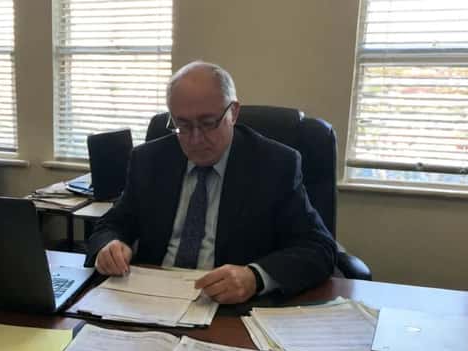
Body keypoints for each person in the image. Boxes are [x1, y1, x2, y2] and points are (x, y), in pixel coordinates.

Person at [86, 61, 336, 304]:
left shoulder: (275, 164)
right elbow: (113, 224)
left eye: (208, 123)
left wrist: (255, 277)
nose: (195, 139)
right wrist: (110, 246)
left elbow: (318, 247)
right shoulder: (149, 160)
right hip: (152, 300)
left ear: (234, 112)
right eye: (183, 125)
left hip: (230, 309)